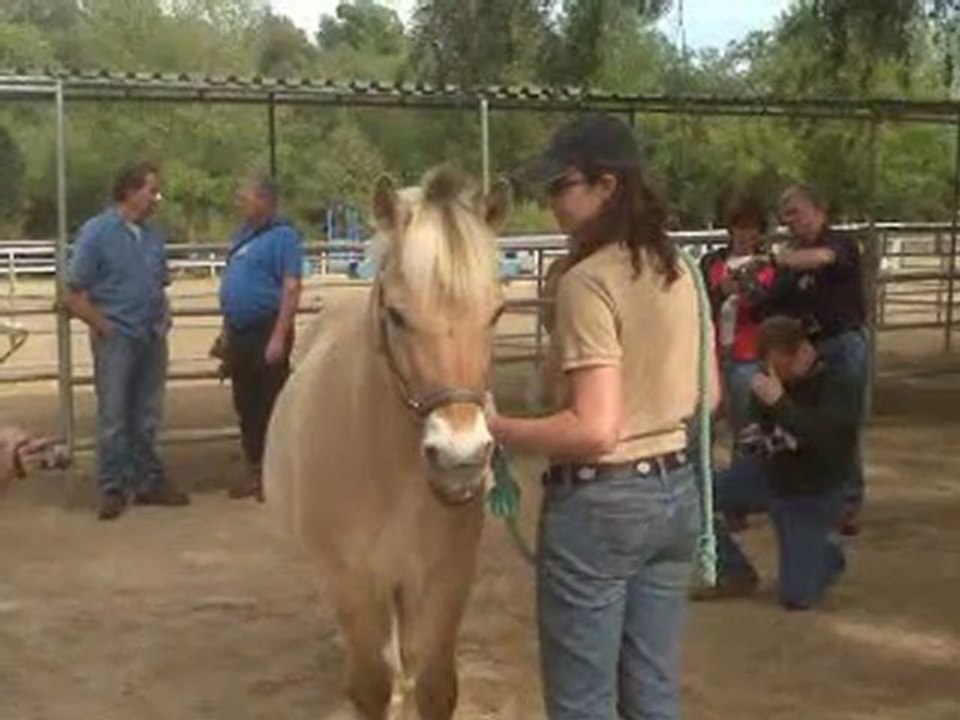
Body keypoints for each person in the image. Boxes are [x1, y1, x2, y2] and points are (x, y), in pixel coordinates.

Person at [487, 115, 719, 720]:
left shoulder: (586, 282)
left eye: (562, 186)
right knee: (653, 693)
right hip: (675, 496)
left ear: (607, 186)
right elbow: (709, 395)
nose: (553, 204)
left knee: (583, 704)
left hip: (601, 507)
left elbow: (594, 429)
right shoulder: (684, 270)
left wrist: (498, 428)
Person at [697, 316, 861, 610]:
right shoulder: (770, 379)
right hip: (769, 475)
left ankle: (825, 555)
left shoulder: (838, 382)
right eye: (770, 365)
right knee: (695, 495)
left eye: (782, 364)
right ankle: (734, 572)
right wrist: (750, 438)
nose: (776, 373)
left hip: (811, 491)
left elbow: (824, 442)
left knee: (797, 597)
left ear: (801, 352)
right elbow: (762, 430)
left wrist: (781, 404)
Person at [66, 162, 188, 520]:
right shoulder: (97, 233)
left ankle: (147, 480)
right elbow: (75, 291)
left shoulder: (152, 236)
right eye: (151, 190)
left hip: (150, 334)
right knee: (115, 414)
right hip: (118, 336)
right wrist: (104, 327)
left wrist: (163, 315)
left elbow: (159, 284)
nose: (156, 198)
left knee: (147, 413)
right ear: (131, 192)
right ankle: (113, 486)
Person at [768, 185, 868, 535]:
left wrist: (779, 259)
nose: (788, 221)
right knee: (812, 423)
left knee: (844, 422)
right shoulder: (794, 256)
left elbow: (825, 258)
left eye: (794, 212)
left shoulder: (839, 244)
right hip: (810, 349)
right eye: (785, 215)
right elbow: (775, 299)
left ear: (818, 210)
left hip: (843, 344)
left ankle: (848, 502)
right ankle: (820, 494)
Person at [218, 174, 303, 501]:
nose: (239, 202)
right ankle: (256, 470)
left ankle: (277, 473)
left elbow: (291, 287)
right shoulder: (242, 237)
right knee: (247, 404)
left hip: (267, 328)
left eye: (245, 196)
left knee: (272, 402)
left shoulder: (283, 237)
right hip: (240, 331)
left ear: (264, 200)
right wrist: (226, 334)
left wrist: (279, 336)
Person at [700, 193, 776, 444]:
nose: (745, 234)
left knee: (744, 427)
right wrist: (721, 291)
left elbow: (768, 309)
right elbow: (700, 304)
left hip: (748, 353)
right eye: (740, 227)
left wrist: (750, 291)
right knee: (703, 426)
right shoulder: (711, 262)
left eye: (751, 228)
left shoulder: (768, 265)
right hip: (712, 353)